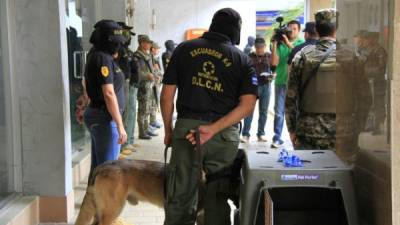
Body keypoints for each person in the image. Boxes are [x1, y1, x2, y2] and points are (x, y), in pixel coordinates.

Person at [161, 8, 258, 225]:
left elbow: (167, 96)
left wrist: (169, 130)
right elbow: (248, 105)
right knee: (217, 195)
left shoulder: (183, 49)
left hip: (187, 132)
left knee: (180, 194)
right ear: (236, 31)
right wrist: (213, 129)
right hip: (223, 134)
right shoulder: (242, 59)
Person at [285, 9, 371, 163]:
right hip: (344, 132)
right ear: (336, 28)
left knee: (310, 178)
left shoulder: (302, 56)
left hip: (309, 133)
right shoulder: (352, 57)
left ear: (316, 29)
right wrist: (357, 126)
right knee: (344, 178)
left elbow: (290, 98)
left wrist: (292, 130)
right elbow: (365, 96)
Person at [83, 20, 127, 175]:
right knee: (108, 173)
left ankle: (92, 199)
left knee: (98, 169)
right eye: (115, 42)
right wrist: (120, 125)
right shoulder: (103, 58)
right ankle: (102, 200)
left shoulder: (95, 54)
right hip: (105, 118)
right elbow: (108, 93)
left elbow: (87, 82)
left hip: (99, 114)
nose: (118, 46)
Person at [270, 19, 304, 148]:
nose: (292, 31)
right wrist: (274, 44)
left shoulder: (301, 43)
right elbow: (273, 63)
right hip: (281, 81)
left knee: (297, 110)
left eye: (294, 29)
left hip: (295, 83)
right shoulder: (281, 44)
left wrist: (288, 43)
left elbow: (299, 53)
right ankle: (277, 138)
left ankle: (297, 137)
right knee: (279, 112)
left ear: (299, 30)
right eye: (289, 29)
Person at [241, 37, 272, 143]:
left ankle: (261, 134)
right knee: (249, 111)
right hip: (253, 86)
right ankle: (246, 134)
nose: (260, 49)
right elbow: (245, 71)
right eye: (258, 47)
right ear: (255, 47)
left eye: (262, 47)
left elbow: (274, 68)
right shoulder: (249, 56)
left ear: (265, 47)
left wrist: (272, 76)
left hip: (266, 85)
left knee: (263, 111)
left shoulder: (269, 56)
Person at [116, 22, 140, 156]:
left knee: (130, 114)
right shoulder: (119, 49)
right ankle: (122, 146)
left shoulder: (126, 50)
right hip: (124, 84)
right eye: (126, 32)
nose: (128, 36)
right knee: (125, 115)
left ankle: (128, 141)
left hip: (131, 84)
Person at [361, 31, 388, 134]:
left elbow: (381, 68)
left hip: (377, 82)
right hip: (369, 81)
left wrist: (367, 72)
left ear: (374, 39)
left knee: (378, 104)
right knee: (370, 103)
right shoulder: (366, 50)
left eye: (368, 39)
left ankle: (378, 126)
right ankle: (371, 124)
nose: (366, 41)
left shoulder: (380, 51)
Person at [134, 34, 158, 139]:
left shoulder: (146, 55)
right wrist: (147, 75)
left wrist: (154, 76)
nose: (149, 45)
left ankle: (146, 129)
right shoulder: (138, 56)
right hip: (143, 86)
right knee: (142, 110)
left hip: (149, 85)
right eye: (147, 43)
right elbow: (137, 72)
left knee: (148, 108)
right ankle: (142, 132)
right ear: (142, 43)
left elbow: (150, 69)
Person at [149, 41, 163, 128]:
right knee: (151, 102)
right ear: (153, 49)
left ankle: (153, 120)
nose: (158, 50)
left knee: (155, 102)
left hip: (156, 83)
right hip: (152, 84)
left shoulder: (154, 57)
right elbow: (153, 71)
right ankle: (151, 122)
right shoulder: (150, 58)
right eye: (157, 49)